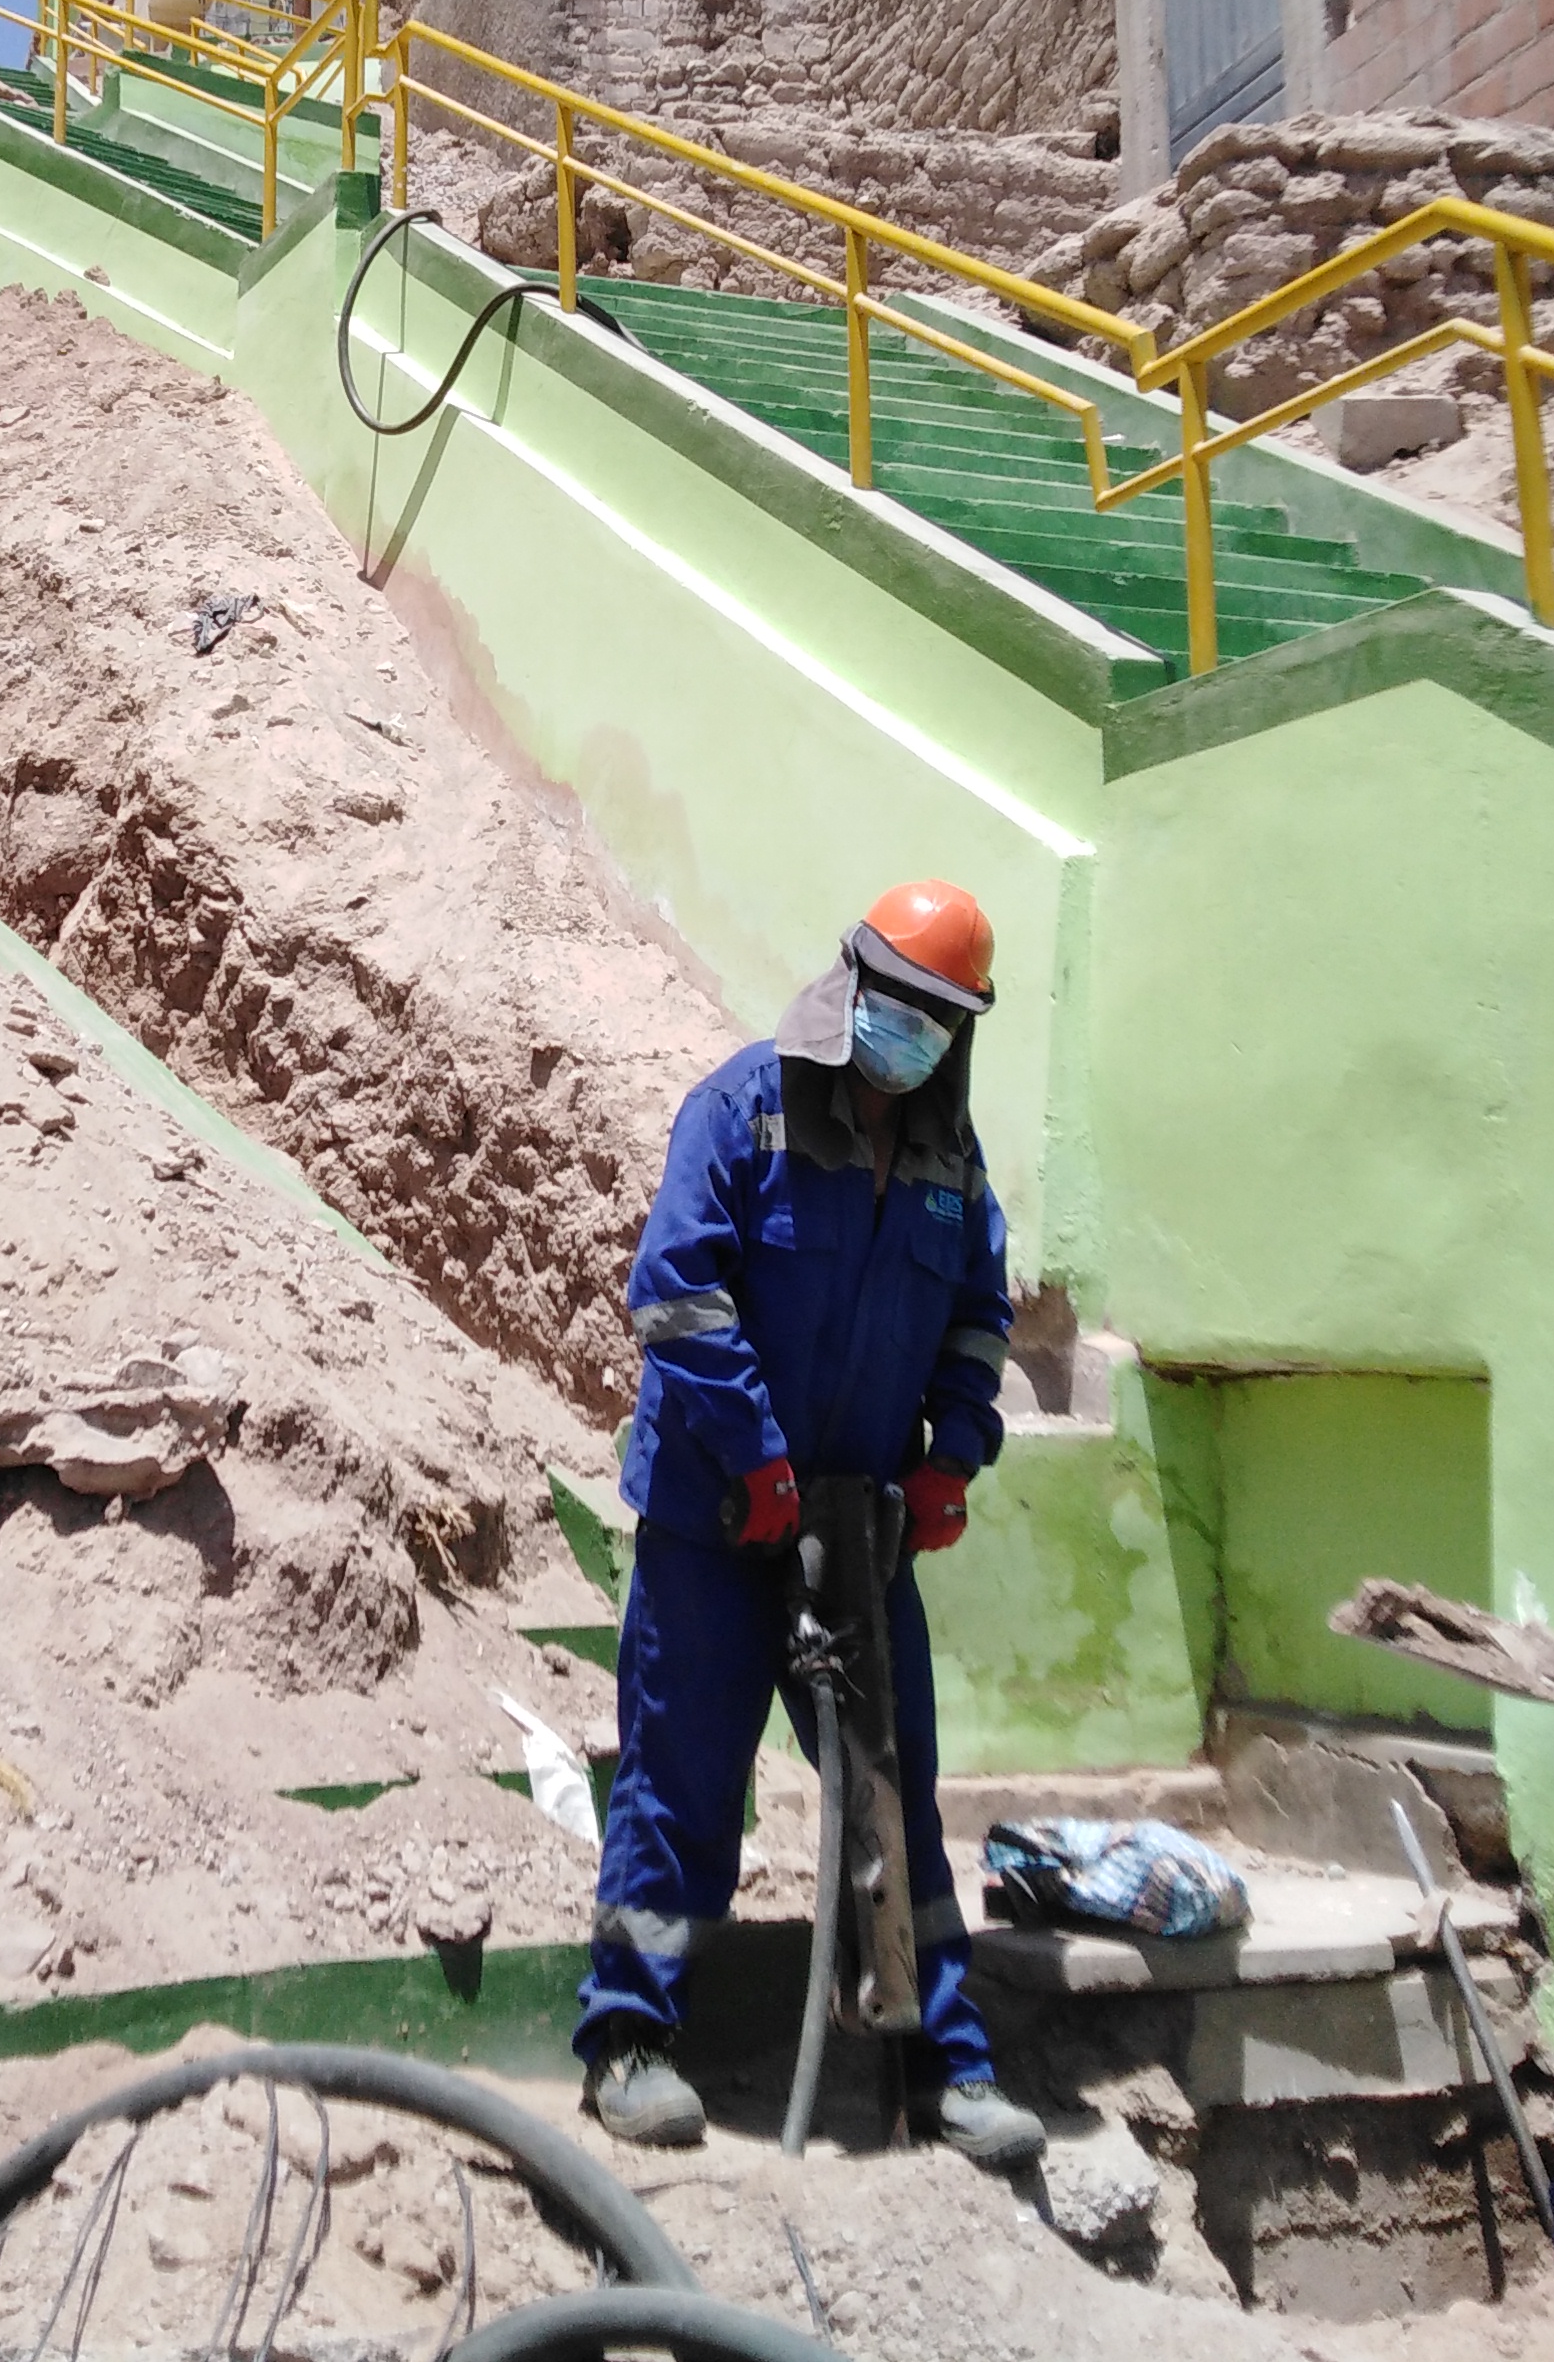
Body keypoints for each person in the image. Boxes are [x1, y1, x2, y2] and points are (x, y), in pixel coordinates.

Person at [576, 880, 1049, 2166]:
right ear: (851, 990)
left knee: (890, 1797)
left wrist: (953, 1456)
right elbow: (674, 1295)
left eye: (939, 1018)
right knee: (683, 1784)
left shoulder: (951, 1163)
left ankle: (943, 2071)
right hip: (716, 1517)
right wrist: (756, 1456)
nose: (910, 1034)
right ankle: (625, 2045)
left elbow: (974, 1322)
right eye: (895, 1006)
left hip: (858, 1527)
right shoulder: (744, 1110)